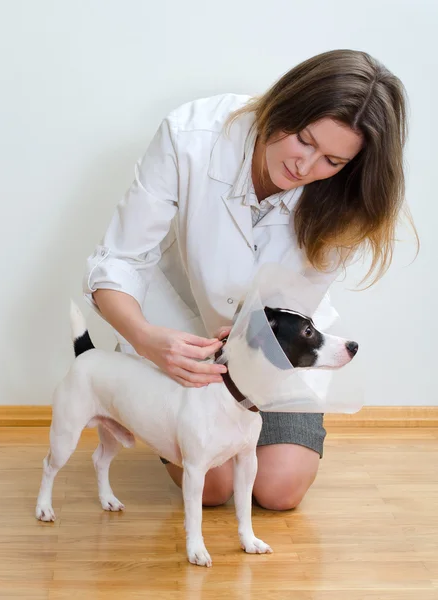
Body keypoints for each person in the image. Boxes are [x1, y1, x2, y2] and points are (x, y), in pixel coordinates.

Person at [83, 49, 416, 511]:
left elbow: (295, 303)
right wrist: (146, 339)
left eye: (332, 161)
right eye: (303, 139)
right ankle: (161, 414)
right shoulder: (190, 136)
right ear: (283, 105)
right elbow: (119, 259)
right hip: (179, 332)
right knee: (214, 488)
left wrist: (249, 348)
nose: (305, 166)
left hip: (273, 355)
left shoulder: (345, 202)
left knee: (280, 490)